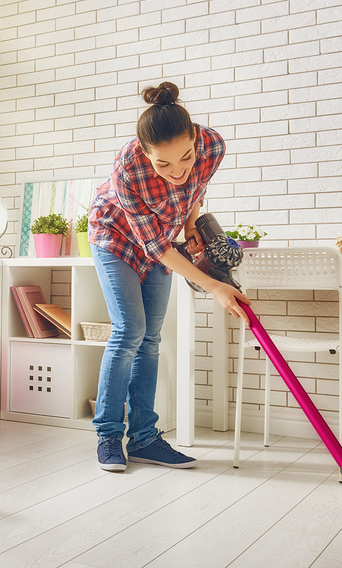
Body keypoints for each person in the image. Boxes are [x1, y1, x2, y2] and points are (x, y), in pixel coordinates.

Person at [88, 80, 250, 472]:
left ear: (196, 139)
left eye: (185, 157)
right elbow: (155, 245)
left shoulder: (212, 146)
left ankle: (144, 438)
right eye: (163, 164)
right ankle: (109, 435)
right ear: (145, 154)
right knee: (130, 330)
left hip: (162, 237)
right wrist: (215, 286)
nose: (177, 171)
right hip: (116, 237)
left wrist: (192, 222)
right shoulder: (127, 166)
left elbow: (196, 188)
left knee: (151, 339)